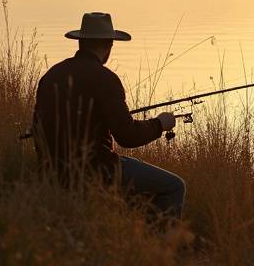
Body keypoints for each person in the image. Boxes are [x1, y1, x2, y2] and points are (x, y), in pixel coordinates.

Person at [32, 12, 185, 219]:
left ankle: (125, 229)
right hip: (98, 172)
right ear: (109, 45)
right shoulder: (106, 79)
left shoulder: (52, 75)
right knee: (174, 187)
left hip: (51, 172)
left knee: (134, 195)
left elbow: (38, 127)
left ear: (80, 42)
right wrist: (160, 124)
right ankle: (158, 238)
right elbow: (128, 136)